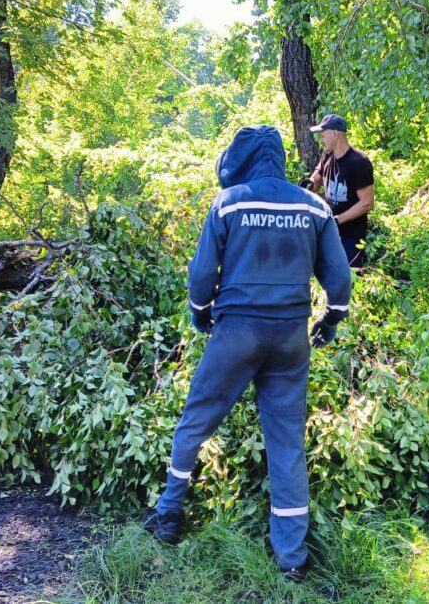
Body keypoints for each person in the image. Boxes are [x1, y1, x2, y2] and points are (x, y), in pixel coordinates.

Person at [143, 125, 352, 582]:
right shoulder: (314, 207)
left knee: (196, 419)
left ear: (241, 159)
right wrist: (330, 319)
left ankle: (169, 515)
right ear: (278, 158)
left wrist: (201, 314)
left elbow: (202, 275)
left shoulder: (229, 202)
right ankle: (292, 559)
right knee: (287, 443)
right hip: (290, 338)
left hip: (236, 332)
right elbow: (339, 280)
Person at [306, 113, 375, 268]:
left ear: (335, 134)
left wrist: (337, 220)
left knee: (349, 274)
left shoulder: (359, 162)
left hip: (351, 235)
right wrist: (309, 184)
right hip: (329, 231)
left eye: (323, 135)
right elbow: (317, 176)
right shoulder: (327, 155)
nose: (320, 140)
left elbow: (367, 203)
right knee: (325, 272)